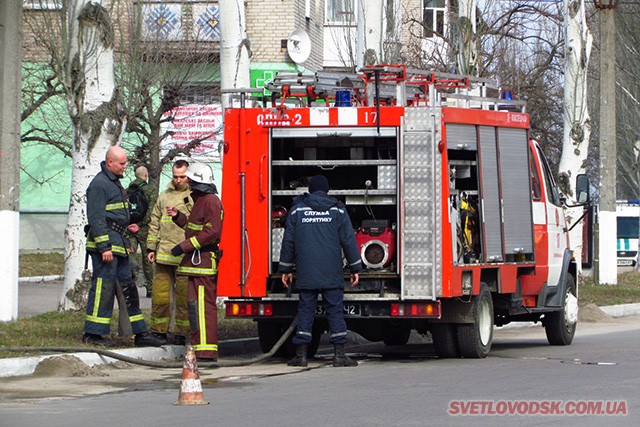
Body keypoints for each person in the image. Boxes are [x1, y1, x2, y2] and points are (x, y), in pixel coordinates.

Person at [83, 146, 166, 348]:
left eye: (125, 162)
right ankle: (92, 334)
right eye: (121, 163)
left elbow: (120, 218)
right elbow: (97, 218)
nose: (124, 166)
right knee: (103, 288)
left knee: (129, 288)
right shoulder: (99, 185)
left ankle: (139, 332)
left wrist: (126, 241)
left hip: (118, 244)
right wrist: (104, 247)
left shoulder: (115, 183)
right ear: (109, 162)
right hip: (107, 248)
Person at [279, 174, 362, 367]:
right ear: (327, 190)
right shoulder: (338, 211)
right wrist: (355, 267)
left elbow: (288, 242)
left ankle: (301, 356)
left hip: (306, 271)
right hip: (331, 271)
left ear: (309, 190)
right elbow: (348, 240)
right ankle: (339, 355)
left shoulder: (297, 210)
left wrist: (285, 268)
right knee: (335, 311)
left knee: (306, 311)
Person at [166, 162, 223, 361]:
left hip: (203, 264)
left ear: (197, 181)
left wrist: (184, 247)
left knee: (203, 308)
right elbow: (194, 226)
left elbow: (212, 232)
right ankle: (200, 348)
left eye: (189, 179)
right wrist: (178, 217)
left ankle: (206, 352)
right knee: (194, 307)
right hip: (195, 264)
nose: (186, 182)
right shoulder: (201, 201)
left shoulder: (211, 201)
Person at [146, 160, 193, 345]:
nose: (179, 180)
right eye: (175, 176)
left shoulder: (193, 196)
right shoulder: (163, 195)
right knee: (160, 296)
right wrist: (151, 247)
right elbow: (154, 221)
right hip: (163, 254)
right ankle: (159, 331)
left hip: (184, 255)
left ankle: (181, 333)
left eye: (182, 176)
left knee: (183, 298)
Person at [128, 165, 157, 297]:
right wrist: (140, 224)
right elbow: (152, 211)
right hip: (144, 230)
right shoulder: (151, 190)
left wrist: (130, 224)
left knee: (129, 257)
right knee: (148, 259)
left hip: (129, 229)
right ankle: (150, 288)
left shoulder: (126, 190)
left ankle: (130, 285)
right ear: (145, 175)